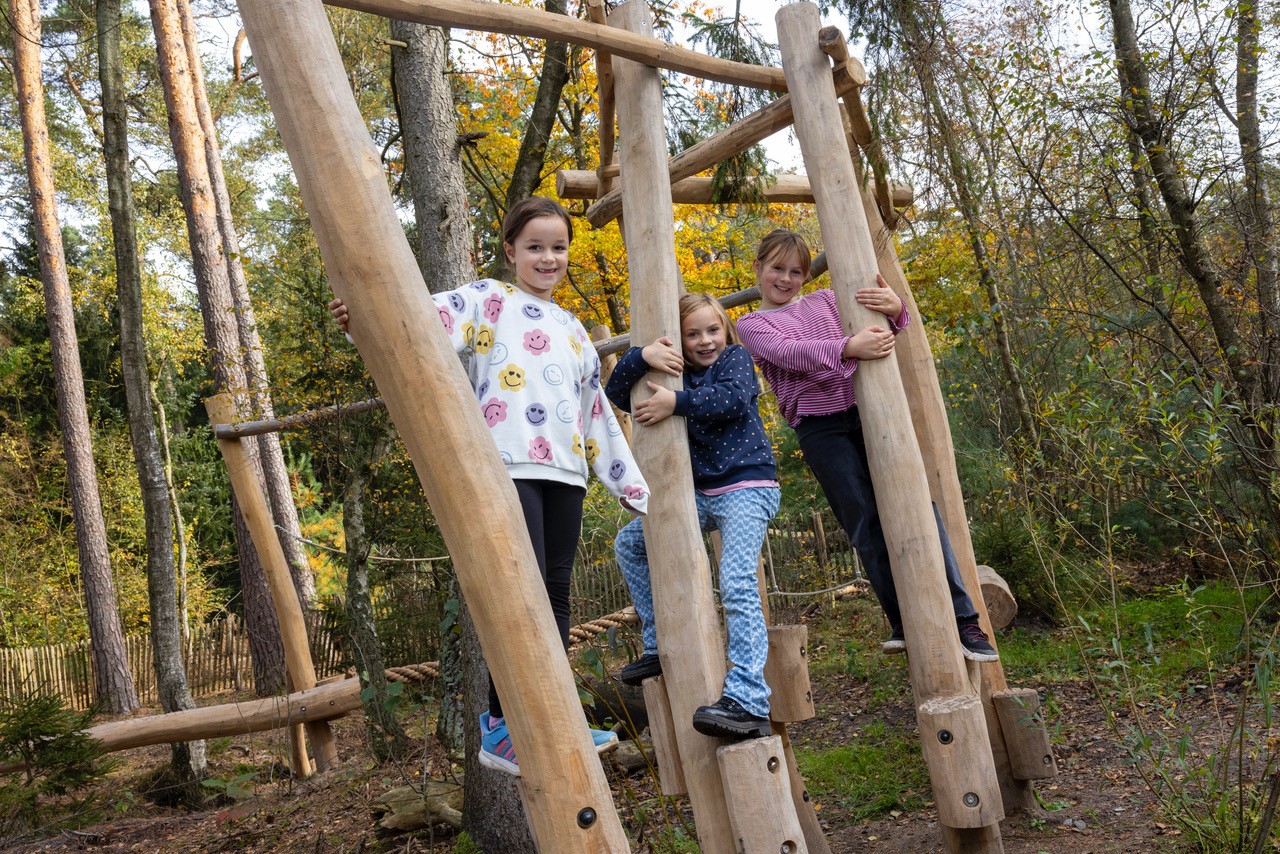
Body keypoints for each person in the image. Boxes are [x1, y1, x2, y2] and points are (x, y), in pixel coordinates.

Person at [330, 197, 649, 775]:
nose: (548, 257)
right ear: (510, 250)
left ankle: (556, 715)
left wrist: (629, 484)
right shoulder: (487, 300)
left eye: (558, 247)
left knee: (555, 596)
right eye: (535, 247)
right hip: (508, 465)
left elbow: (594, 411)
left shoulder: (575, 329)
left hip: (566, 474)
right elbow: (413, 318)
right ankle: (502, 727)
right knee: (520, 591)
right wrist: (363, 318)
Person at [735, 229, 998, 662]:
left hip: (871, 411)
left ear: (805, 275)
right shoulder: (752, 324)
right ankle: (902, 618)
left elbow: (879, 327)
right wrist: (849, 347)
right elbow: (791, 353)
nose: (785, 278)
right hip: (822, 429)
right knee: (864, 519)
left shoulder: (826, 300)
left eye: (796, 271)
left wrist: (897, 311)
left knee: (918, 506)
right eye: (777, 268)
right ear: (758, 268)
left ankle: (964, 618)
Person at [605, 293, 779, 739]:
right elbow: (614, 394)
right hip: (699, 494)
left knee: (737, 581)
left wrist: (676, 403)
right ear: (678, 340)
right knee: (629, 544)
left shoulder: (735, 359)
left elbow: (735, 400)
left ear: (725, 330)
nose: (706, 341)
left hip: (746, 484)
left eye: (713, 330)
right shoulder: (669, 371)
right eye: (693, 334)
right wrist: (642, 356)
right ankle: (656, 643)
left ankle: (749, 699)